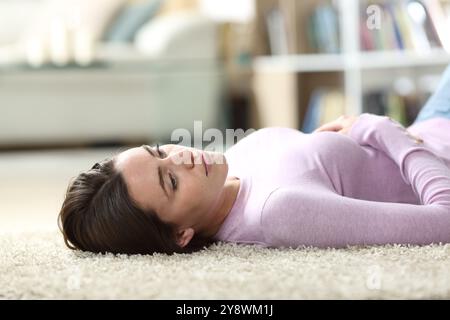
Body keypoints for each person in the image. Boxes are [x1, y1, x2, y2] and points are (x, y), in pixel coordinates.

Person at [58, 65, 450, 255]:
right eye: (171, 181)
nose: (183, 157)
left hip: (431, 122)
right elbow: (444, 221)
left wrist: (353, 139)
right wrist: (378, 129)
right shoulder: (279, 212)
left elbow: (326, 167)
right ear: (181, 234)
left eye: (161, 151)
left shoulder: (227, 169)